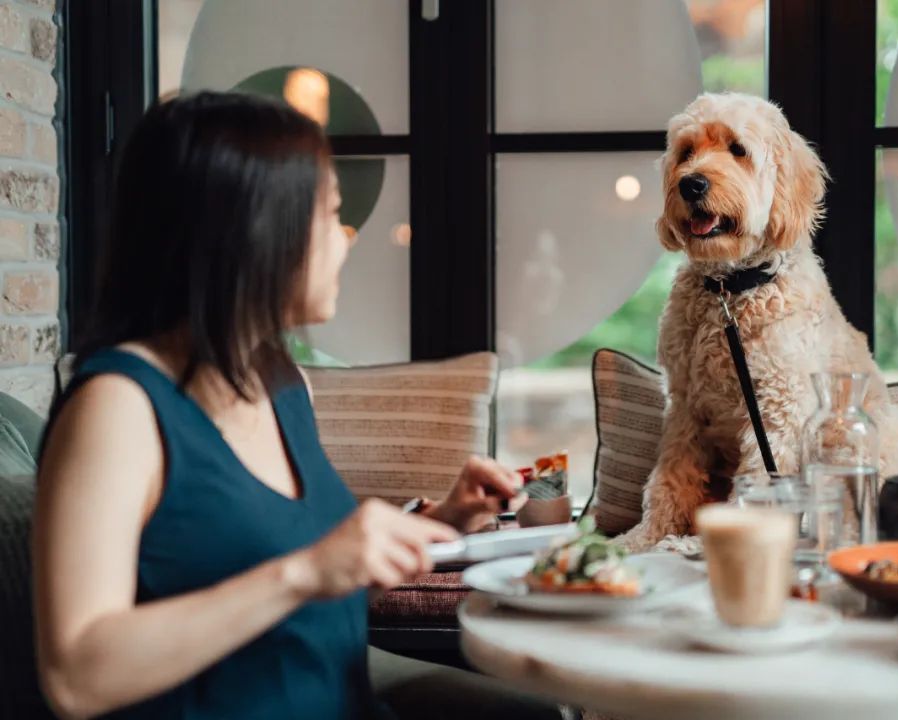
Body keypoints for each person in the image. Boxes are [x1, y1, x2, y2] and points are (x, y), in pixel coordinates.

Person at [33, 92, 560, 720]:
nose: (347, 239)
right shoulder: (117, 409)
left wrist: (443, 524)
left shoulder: (282, 384)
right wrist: (306, 571)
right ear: (254, 228)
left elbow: (300, 567)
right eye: (332, 215)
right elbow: (76, 676)